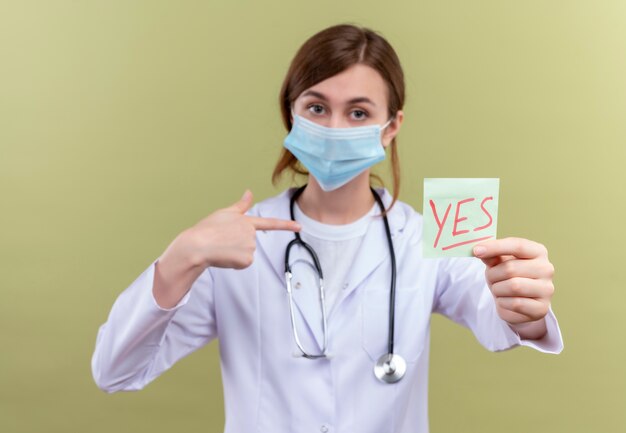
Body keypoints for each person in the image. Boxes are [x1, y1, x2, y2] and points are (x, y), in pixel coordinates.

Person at [92, 24, 563, 433]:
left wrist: (523, 303)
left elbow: (501, 314)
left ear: (391, 126)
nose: (335, 127)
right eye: (317, 108)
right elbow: (114, 369)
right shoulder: (235, 246)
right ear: (291, 112)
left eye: (358, 113)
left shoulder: (425, 236)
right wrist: (182, 256)